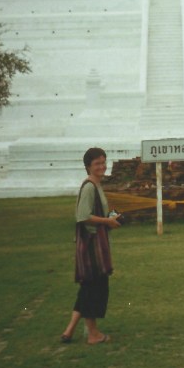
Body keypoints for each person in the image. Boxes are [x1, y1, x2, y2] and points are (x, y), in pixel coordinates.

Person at [60, 147, 121, 344]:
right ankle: (93, 334)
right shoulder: (89, 187)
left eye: (103, 162)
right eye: (97, 164)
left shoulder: (96, 185)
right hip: (92, 247)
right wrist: (107, 222)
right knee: (95, 288)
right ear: (88, 166)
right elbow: (83, 216)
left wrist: (109, 218)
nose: (101, 166)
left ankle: (69, 330)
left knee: (87, 288)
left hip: (94, 244)